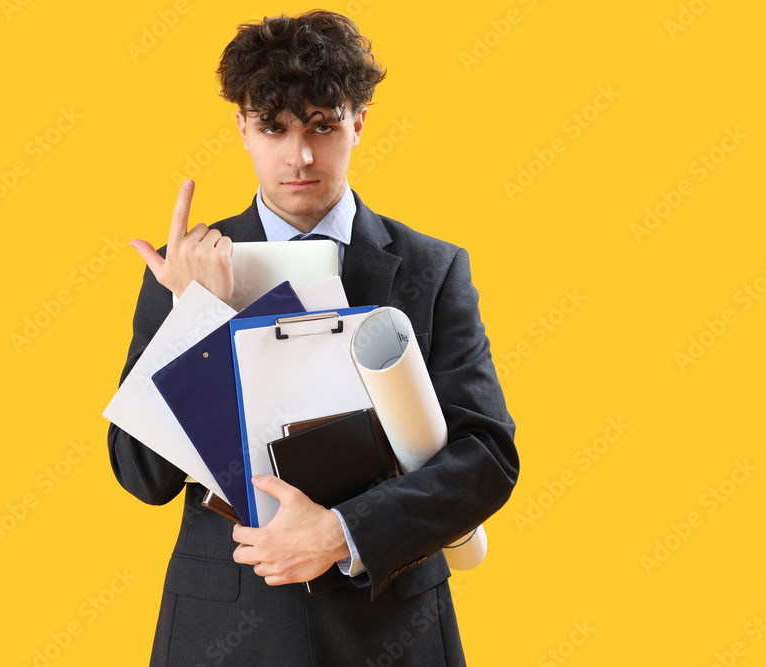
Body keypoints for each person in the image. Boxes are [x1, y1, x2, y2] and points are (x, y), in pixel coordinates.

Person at [108, 10, 519, 666]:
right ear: (243, 129)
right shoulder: (182, 267)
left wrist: (343, 532)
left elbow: (486, 459)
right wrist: (195, 314)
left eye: (322, 125)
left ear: (358, 122)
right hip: (224, 626)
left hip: (391, 625)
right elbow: (141, 474)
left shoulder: (431, 269)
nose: (299, 154)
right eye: (275, 127)